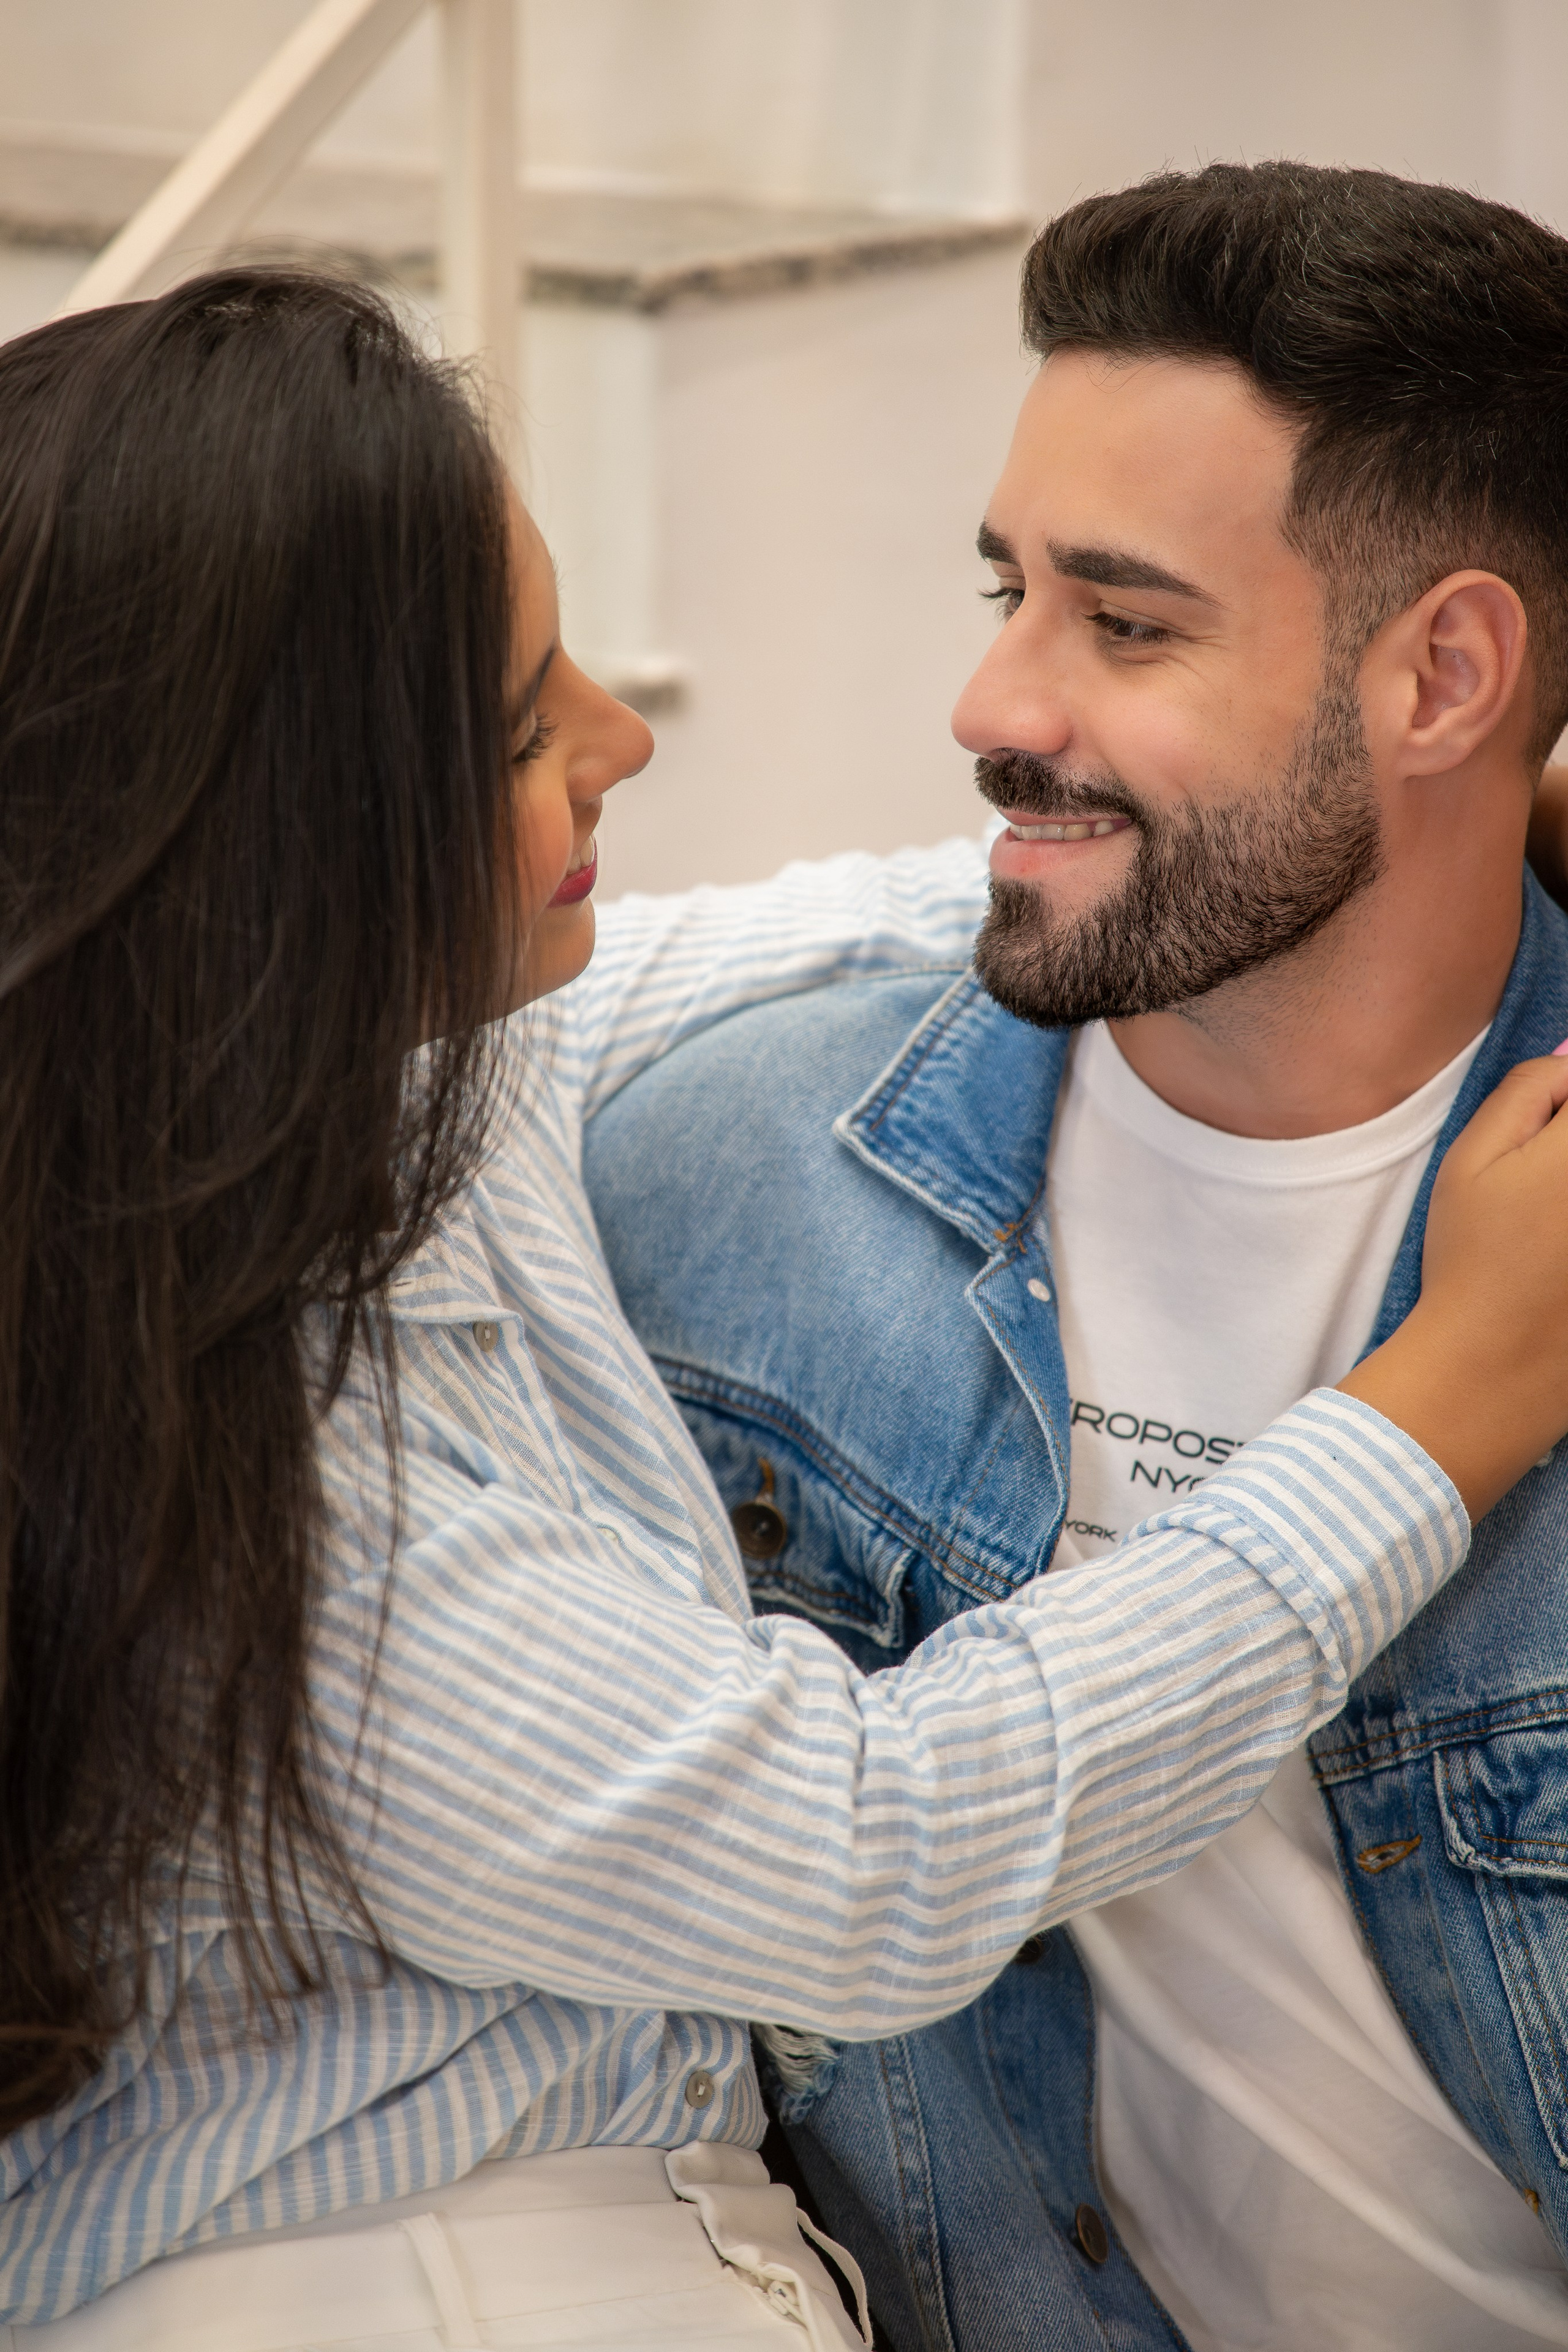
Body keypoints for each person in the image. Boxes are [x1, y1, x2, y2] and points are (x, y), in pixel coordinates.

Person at [3, 266, 1567, 2352]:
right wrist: (1450, 1394)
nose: (628, 740)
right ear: (280, 847)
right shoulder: (222, 1420)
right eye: (524, 718)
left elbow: (821, 922)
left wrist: (1441, 810)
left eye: (1119, 617)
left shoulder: (399, 1093)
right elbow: (871, 1851)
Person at [581, 162, 1568, 2351]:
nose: (992, 701)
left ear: (1449, 676)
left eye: (1124, 625)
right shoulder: (717, 1203)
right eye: (1007, 587)